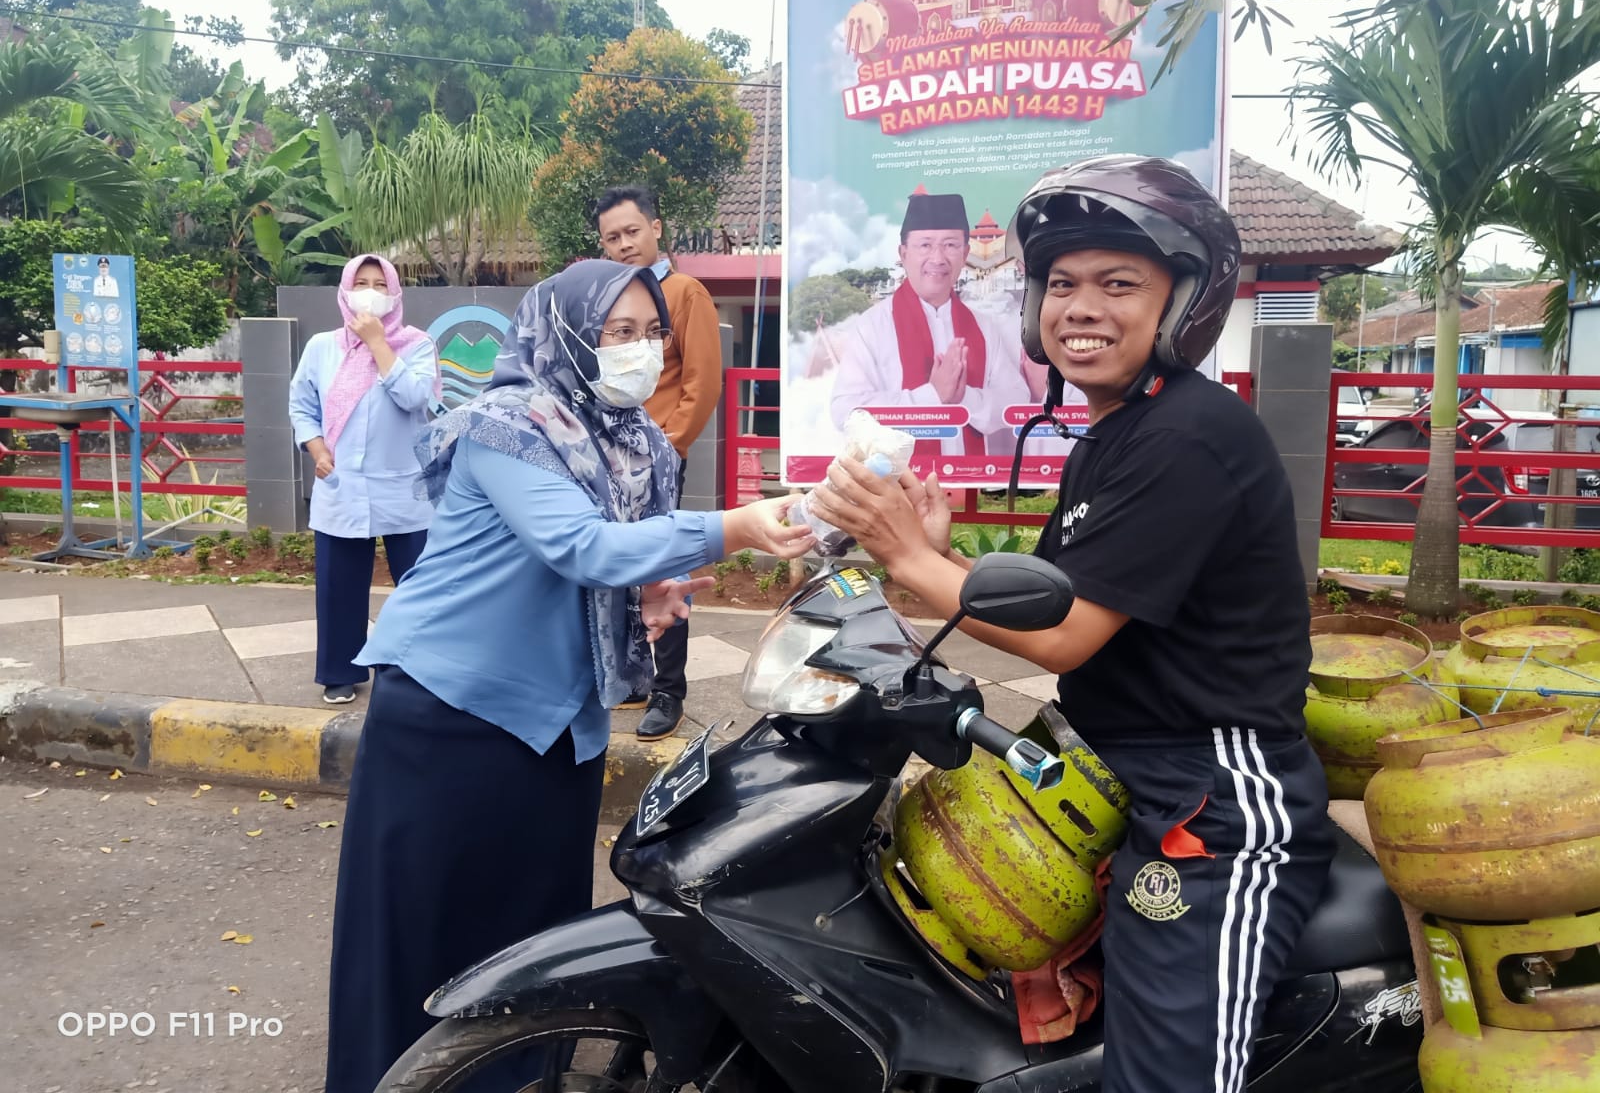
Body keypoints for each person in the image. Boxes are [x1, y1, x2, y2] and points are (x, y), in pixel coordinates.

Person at [810, 155, 1334, 1093]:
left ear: (1184, 303)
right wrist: (950, 555)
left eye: (1119, 284)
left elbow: (1065, 637)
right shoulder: (1121, 432)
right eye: (1062, 284)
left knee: (1165, 1080)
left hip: (1213, 796)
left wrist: (908, 560)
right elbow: (1062, 594)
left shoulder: (1189, 435)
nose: (1081, 306)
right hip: (1120, 764)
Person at [322, 259, 812, 1093]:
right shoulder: (508, 425)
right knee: (429, 927)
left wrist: (653, 583)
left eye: (650, 331)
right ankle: (400, 1075)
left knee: (535, 933)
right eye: (617, 332)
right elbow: (580, 546)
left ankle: (513, 1073)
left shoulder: (636, 442)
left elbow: (622, 549)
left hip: (564, 718)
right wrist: (733, 528)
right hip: (453, 711)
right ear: (568, 334)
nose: (638, 349)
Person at [595, 185, 724, 741]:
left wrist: (668, 450)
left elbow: (701, 383)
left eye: (632, 231)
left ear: (657, 228)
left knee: (660, 567)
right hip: (604, 458)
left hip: (659, 458)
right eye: (612, 237)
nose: (625, 244)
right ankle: (634, 676)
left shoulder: (685, 292)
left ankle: (668, 691)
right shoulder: (607, 298)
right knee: (615, 569)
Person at [288, 254, 440, 705]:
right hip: (341, 484)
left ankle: (421, 669)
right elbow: (301, 404)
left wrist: (378, 344)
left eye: (380, 283)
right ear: (345, 291)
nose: (370, 291)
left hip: (403, 486)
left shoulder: (416, 344)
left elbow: (416, 397)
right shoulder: (322, 346)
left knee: (417, 584)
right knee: (339, 582)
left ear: (394, 293)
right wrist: (316, 448)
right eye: (362, 282)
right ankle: (340, 670)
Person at [829, 191, 1032, 456]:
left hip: (969, 480)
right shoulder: (872, 327)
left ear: (965, 253)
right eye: (925, 245)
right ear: (903, 253)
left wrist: (963, 398)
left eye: (950, 245)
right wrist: (931, 396)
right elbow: (845, 412)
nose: (938, 258)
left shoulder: (983, 328)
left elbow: (1016, 401)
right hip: (892, 484)